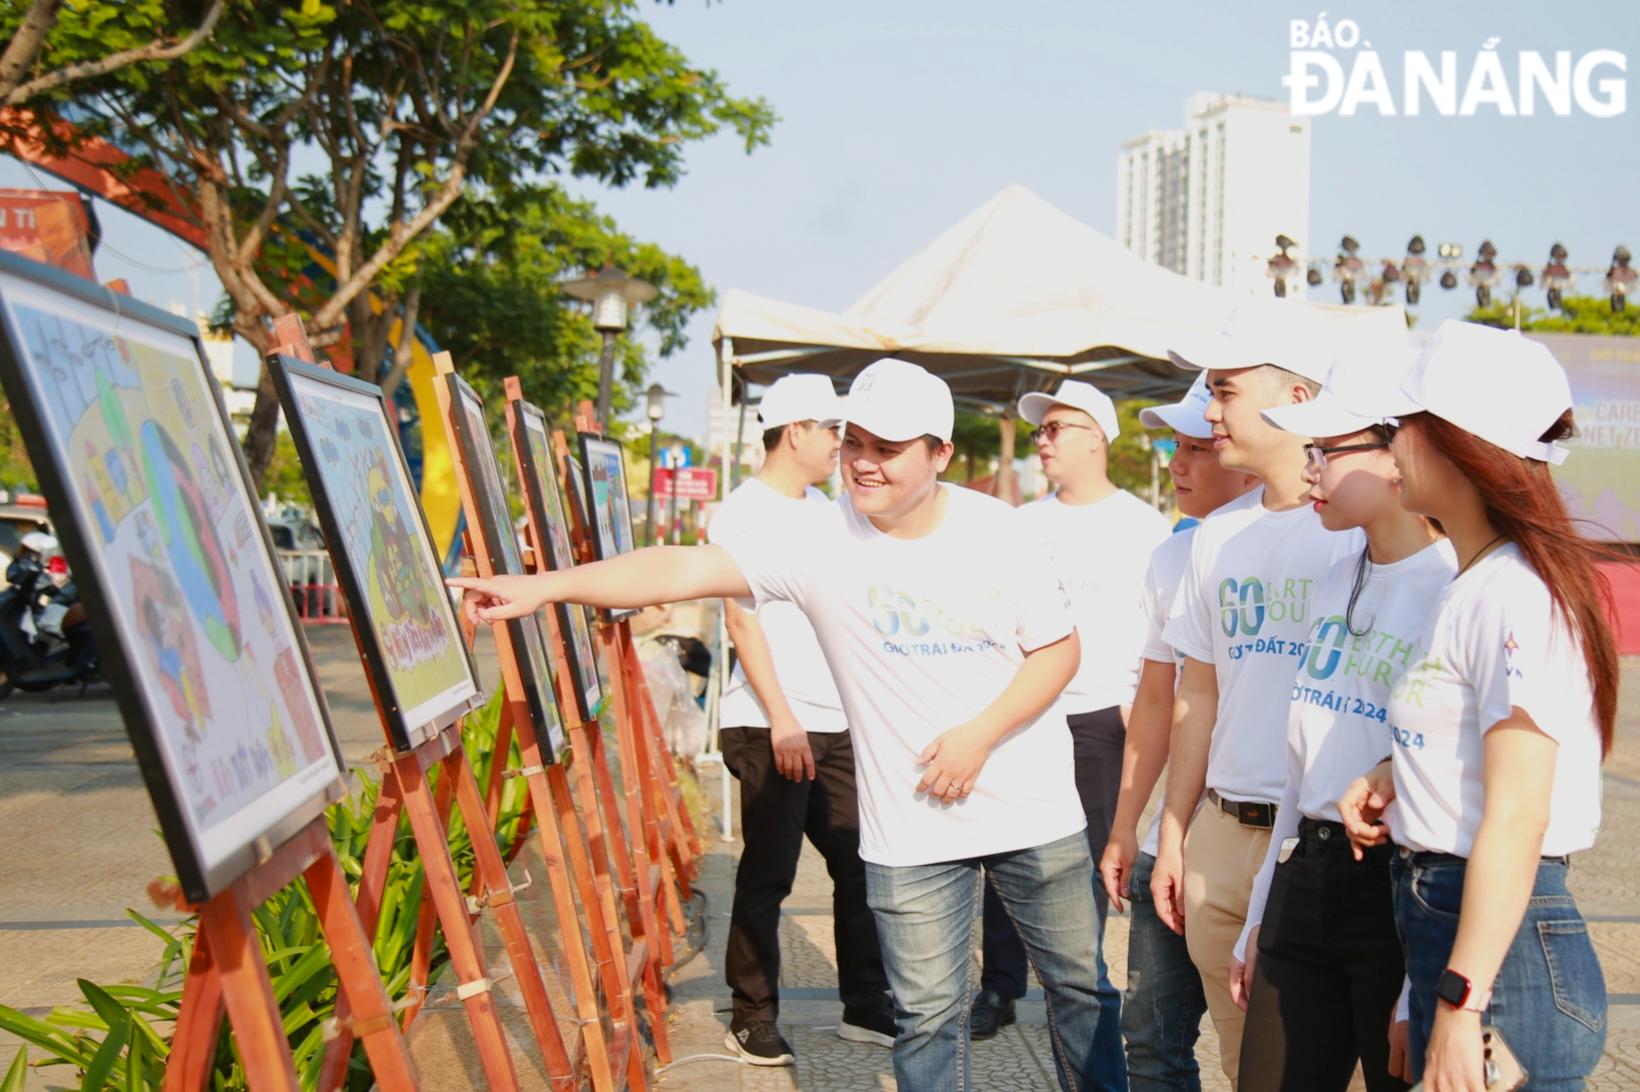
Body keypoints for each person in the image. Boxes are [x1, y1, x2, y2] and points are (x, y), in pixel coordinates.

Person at [453, 359, 1112, 1092]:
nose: (863, 462)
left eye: (887, 448)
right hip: (911, 826)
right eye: (854, 441)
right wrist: (543, 587)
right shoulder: (816, 538)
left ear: (941, 454)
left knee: (1080, 990)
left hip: (1032, 811)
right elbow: (676, 571)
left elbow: (1058, 652)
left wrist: (978, 735)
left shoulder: (999, 530)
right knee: (927, 1016)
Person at [1338, 321, 1614, 1090]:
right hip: (1457, 925)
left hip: (1502, 949)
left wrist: (1461, 1003)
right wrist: (1398, 772)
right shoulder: (1473, 583)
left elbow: (1520, 815)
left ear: (1458, 441)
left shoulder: (1516, 594)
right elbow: (1470, 740)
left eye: (1400, 426)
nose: (1387, 446)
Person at [1228, 348, 1454, 1092]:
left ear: (1399, 458)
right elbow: (1306, 766)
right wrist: (1265, 912)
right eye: (1309, 451)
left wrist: (1413, 989)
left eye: (1326, 451)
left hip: (1396, 891)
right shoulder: (1333, 578)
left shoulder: (1454, 589)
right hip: (1305, 878)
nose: (1310, 470)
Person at [1151, 304, 1364, 1088]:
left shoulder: (1361, 530)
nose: (1208, 413)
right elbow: (1195, 697)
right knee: (1248, 1067)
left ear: (1300, 397)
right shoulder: (1216, 536)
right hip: (1221, 838)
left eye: (1226, 392)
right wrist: (1176, 833)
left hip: (1319, 844)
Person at [968, 381, 1168, 1079]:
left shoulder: (1145, 526)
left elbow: (1162, 632)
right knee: (1009, 849)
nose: (1043, 441)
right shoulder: (1020, 523)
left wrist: (1132, 705)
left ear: (1097, 438)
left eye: (1057, 428)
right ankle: (999, 983)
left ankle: (1077, 987)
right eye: (1040, 430)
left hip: (1099, 716)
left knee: (1087, 862)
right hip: (1027, 710)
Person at [708, 374, 894, 1065]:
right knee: (769, 874)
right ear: (795, 431)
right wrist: (782, 718)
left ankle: (868, 1007)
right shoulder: (741, 514)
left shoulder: (833, 510)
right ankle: (751, 1016)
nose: (841, 445)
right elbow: (740, 623)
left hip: (837, 721)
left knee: (860, 865)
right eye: (832, 431)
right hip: (769, 722)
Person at [1098, 372, 1258, 1091]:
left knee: (1262, 1049)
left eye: (1199, 446)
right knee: (1153, 1036)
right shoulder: (1172, 558)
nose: (1179, 464)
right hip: (1179, 834)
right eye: (1176, 445)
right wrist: (1129, 825)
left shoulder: (1314, 537)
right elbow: (1159, 701)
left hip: (1263, 839)